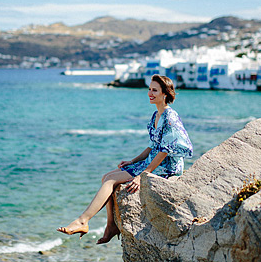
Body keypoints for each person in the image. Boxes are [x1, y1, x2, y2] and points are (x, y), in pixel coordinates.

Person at [57, 74, 194, 244]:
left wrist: (143, 175)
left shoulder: (170, 117)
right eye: (149, 89)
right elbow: (152, 146)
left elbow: (165, 151)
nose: (150, 93)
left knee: (110, 182)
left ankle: (83, 221)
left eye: (155, 90)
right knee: (106, 177)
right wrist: (133, 161)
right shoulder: (156, 115)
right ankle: (111, 225)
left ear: (165, 94)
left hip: (167, 166)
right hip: (154, 161)